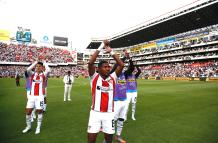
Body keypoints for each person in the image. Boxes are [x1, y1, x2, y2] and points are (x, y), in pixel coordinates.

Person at [87, 40, 124, 143]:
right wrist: (101, 46)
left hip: (109, 114)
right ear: (98, 69)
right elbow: (90, 63)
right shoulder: (94, 77)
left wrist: (111, 51)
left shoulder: (113, 77)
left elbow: (121, 65)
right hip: (95, 113)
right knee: (91, 141)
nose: (108, 68)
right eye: (105, 67)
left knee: (108, 141)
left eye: (109, 67)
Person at [105, 50, 133, 143]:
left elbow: (132, 68)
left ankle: (118, 136)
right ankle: (107, 139)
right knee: (112, 121)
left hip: (124, 101)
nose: (121, 68)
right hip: (116, 101)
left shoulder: (124, 75)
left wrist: (130, 59)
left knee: (121, 119)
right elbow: (117, 65)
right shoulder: (113, 75)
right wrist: (124, 57)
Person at [22, 60, 50, 134]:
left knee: (39, 112)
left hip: (40, 97)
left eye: (39, 66)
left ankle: (38, 128)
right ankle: (28, 126)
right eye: (36, 66)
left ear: (42, 68)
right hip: (31, 96)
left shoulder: (44, 74)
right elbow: (28, 70)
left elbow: (48, 69)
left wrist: (45, 63)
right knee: (28, 112)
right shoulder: (32, 74)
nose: (37, 67)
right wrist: (35, 62)